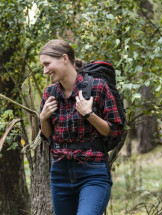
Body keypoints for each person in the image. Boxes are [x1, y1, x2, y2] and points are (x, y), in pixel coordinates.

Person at [39, 39, 123, 215]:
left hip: (93, 172)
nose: (45, 71)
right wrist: (43, 118)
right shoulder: (49, 93)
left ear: (64, 58)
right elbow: (48, 137)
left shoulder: (98, 87)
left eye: (47, 64)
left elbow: (114, 130)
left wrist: (89, 114)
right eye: (43, 66)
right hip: (60, 173)